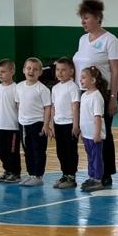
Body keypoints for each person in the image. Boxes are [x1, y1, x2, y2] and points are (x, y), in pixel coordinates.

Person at [73, 0, 118, 188]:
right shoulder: (82, 40)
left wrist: (113, 97)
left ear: (97, 17)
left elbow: (115, 71)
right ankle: (94, 173)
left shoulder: (110, 40)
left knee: (102, 133)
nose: (83, 22)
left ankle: (105, 173)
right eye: (82, 18)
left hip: (102, 93)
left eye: (86, 18)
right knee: (87, 133)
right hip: (83, 92)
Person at [15, 57, 53, 188]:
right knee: (27, 150)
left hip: (37, 124)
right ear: (24, 70)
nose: (31, 71)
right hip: (23, 125)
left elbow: (47, 107)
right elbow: (18, 104)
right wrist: (20, 120)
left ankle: (38, 175)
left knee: (38, 150)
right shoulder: (19, 87)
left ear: (40, 72)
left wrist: (46, 124)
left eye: (35, 69)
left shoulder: (42, 89)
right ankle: (31, 174)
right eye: (29, 68)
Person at [49, 57, 81, 190]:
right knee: (61, 151)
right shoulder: (55, 88)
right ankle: (65, 174)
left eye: (63, 70)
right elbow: (53, 107)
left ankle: (71, 176)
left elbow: (75, 107)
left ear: (71, 71)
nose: (60, 73)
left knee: (70, 151)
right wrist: (52, 124)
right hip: (58, 124)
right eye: (58, 70)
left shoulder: (73, 87)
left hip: (69, 124)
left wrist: (75, 125)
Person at [79, 66, 110, 193]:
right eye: (80, 77)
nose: (81, 80)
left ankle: (98, 179)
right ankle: (91, 177)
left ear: (93, 80)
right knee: (90, 157)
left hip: (94, 135)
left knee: (96, 158)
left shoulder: (96, 96)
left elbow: (98, 117)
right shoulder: (84, 95)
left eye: (83, 77)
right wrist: (82, 132)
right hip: (86, 134)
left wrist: (97, 133)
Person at [0, 59, 21, 183]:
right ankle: (7, 171)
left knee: (12, 152)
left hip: (13, 127)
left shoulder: (17, 88)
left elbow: (19, 106)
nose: (0, 74)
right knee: (1, 152)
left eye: (3, 72)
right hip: (0, 126)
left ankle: (15, 173)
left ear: (12, 71)